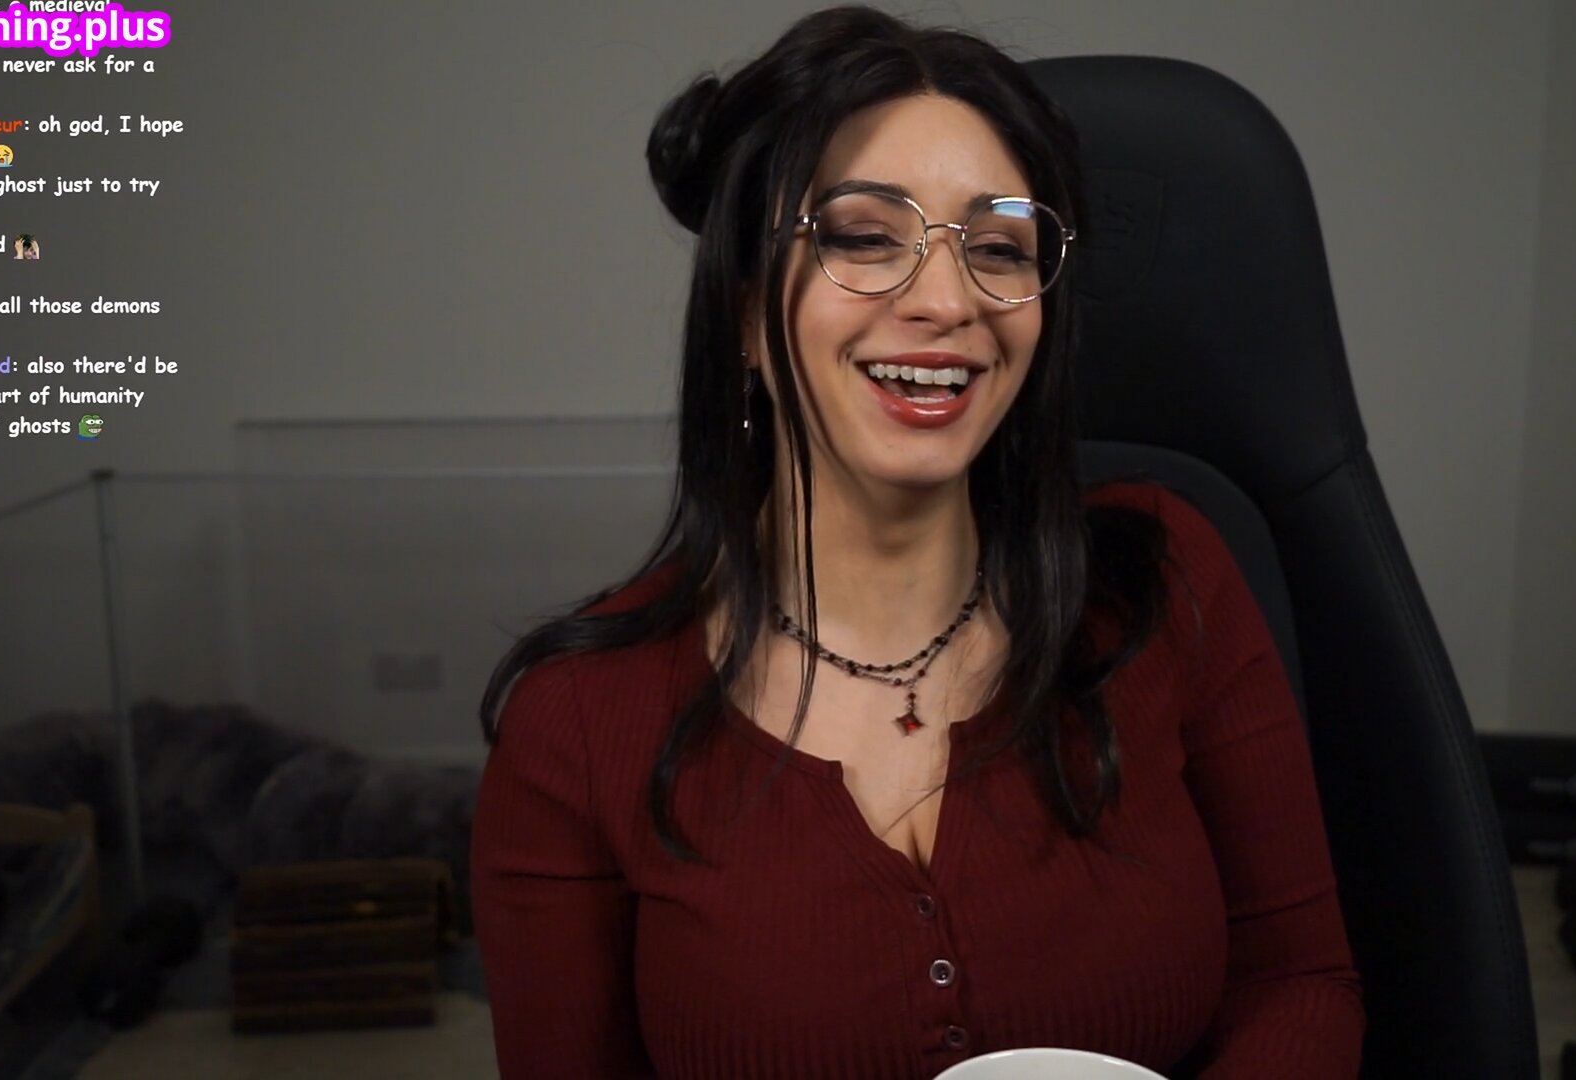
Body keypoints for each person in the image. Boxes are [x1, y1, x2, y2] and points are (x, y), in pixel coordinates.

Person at [470, 6, 1364, 1077]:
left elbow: (1300, 982)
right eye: (863, 237)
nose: (948, 300)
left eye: (998, 248)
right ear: (747, 310)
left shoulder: (1167, 583)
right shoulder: (576, 724)